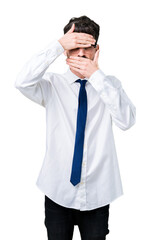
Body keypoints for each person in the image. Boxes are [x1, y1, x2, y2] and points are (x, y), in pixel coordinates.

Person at [15, 15, 136, 240]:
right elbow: (21, 81)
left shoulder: (110, 85)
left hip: (98, 194)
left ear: (96, 49)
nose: (81, 54)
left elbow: (127, 121)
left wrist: (95, 76)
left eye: (86, 48)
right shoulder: (52, 85)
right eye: (74, 48)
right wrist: (57, 45)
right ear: (65, 53)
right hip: (57, 192)